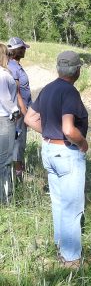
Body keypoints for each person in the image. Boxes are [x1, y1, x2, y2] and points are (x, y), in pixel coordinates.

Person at [25, 51, 88, 269]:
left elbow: (29, 118)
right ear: (77, 70)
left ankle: (61, 246)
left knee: (59, 202)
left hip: (49, 150)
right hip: (67, 153)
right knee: (72, 206)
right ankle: (71, 259)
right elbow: (69, 129)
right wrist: (82, 143)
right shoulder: (69, 92)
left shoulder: (49, 89)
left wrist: (49, 133)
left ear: (59, 69)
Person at [7, 37, 32, 181]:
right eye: (23, 48)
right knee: (18, 141)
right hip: (20, 111)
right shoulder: (13, 67)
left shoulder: (15, 65)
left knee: (19, 140)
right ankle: (18, 174)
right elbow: (17, 93)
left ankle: (17, 170)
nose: (25, 50)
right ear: (17, 50)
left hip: (23, 109)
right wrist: (25, 112)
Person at [0, 43, 19, 204]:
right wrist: (15, 111)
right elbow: (4, 97)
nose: (10, 57)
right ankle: (6, 199)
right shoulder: (2, 75)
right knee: (5, 161)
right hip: (5, 120)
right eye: (8, 54)